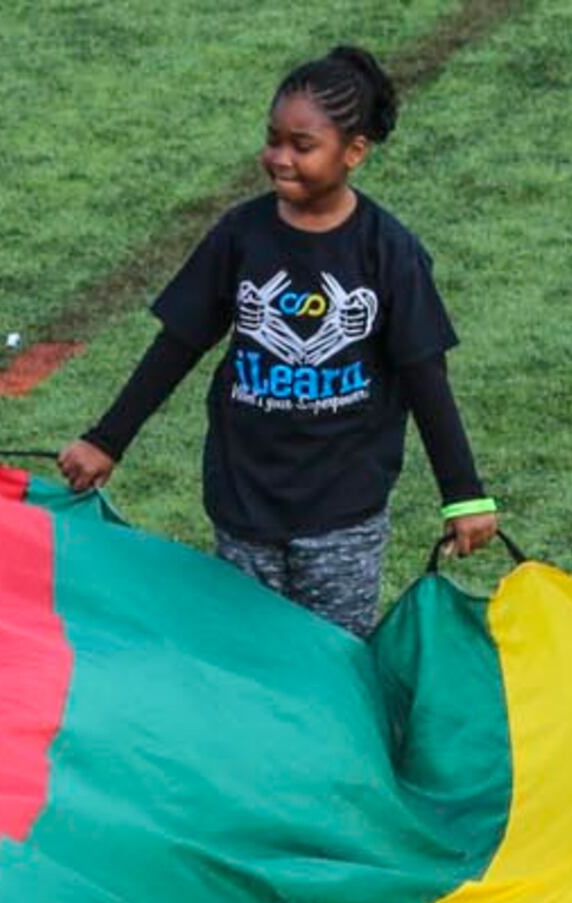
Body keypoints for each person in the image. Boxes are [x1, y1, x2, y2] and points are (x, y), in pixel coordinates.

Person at [56, 47, 499, 633]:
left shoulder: (389, 252)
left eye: (302, 145)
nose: (280, 158)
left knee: (335, 660)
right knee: (248, 655)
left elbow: (425, 378)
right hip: (244, 500)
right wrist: (106, 440)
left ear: (355, 152)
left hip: (344, 510)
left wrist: (463, 495)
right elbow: (178, 345)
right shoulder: (240, 237)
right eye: (273, 140)